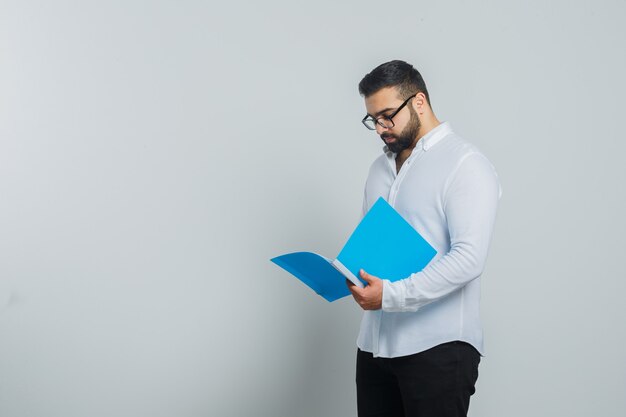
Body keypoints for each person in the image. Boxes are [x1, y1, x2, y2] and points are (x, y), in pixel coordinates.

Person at [347, 60, 501, 417]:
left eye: (388, 115)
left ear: (418, 102)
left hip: (439, 348)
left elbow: (469, 258)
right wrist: (350, 273)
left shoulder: (465, 163)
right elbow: (369, 245)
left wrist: (392, 294)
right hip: (374, 346)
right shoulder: (378, 169)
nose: (381, 128)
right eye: (373, 119)